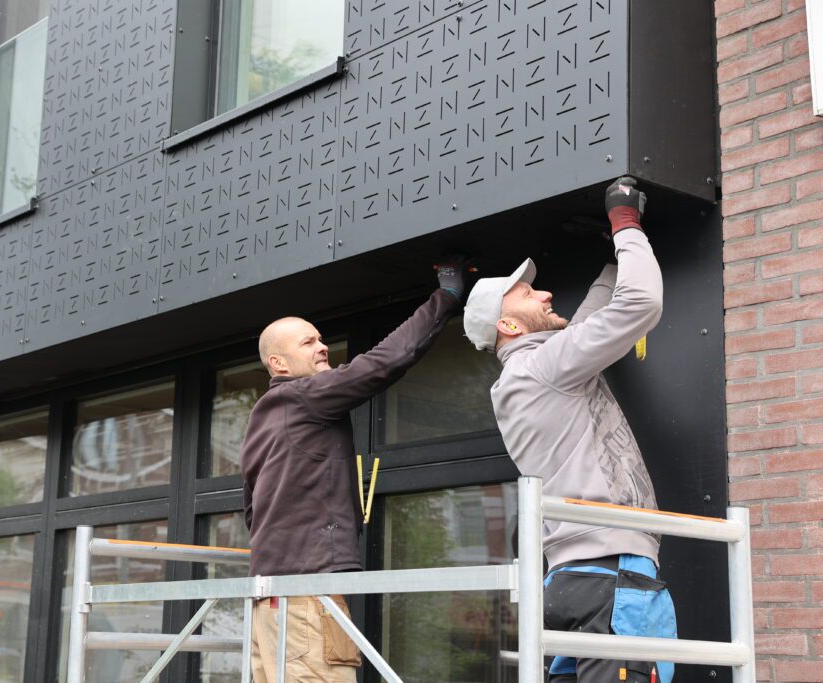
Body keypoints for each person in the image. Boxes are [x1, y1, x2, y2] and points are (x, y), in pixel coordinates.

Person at [462, 177, 677, 683]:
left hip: (570, 580)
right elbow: (639, 305)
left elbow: (589, 322)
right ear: (508, 327)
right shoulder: (545, 367)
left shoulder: (524, 376)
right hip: (611, 572)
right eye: (527, 294)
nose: (545, 292)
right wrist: (626, 223)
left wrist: (613, 259)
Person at [240, 260, 469, 683]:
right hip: (306, 597)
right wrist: (447, 297)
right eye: (308, 342)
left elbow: (252, 510)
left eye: (321, 338)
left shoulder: (261, 417)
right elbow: (385, 361)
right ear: (280, 363)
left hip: (271, 599)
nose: (323, 347)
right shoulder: (304, 396)